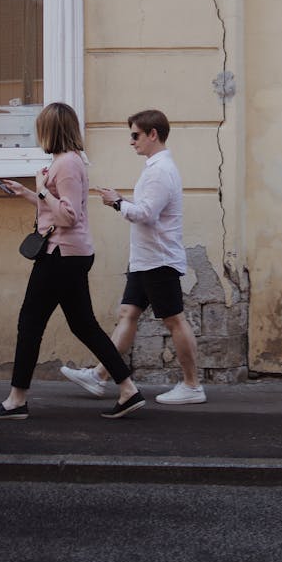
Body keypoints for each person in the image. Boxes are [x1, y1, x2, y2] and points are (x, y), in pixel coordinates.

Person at [0, 102, 144, 421]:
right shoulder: (64, 162)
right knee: (83, 324)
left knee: (30, 323)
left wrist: (41, 192)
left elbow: (69, 216)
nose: (37, 132)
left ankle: (16, 401)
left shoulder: (68, 163)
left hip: (61, 254)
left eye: (40, 127)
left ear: (51, 130)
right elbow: (60, 207)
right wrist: (29, 194)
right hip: (69, 254)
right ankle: (128, 390)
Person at [60, 108, 206, 405]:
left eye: (135, 135)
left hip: (159, 259)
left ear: (153, 134)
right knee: (128, 314)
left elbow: (146, 215)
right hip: (146, 258)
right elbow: (148, 210)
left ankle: (192, 385)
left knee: (174, 321)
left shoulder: (160, 172)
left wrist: (117, 203)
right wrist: (122, 201)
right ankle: (101, 375)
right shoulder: (155, 168)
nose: (131, 141)